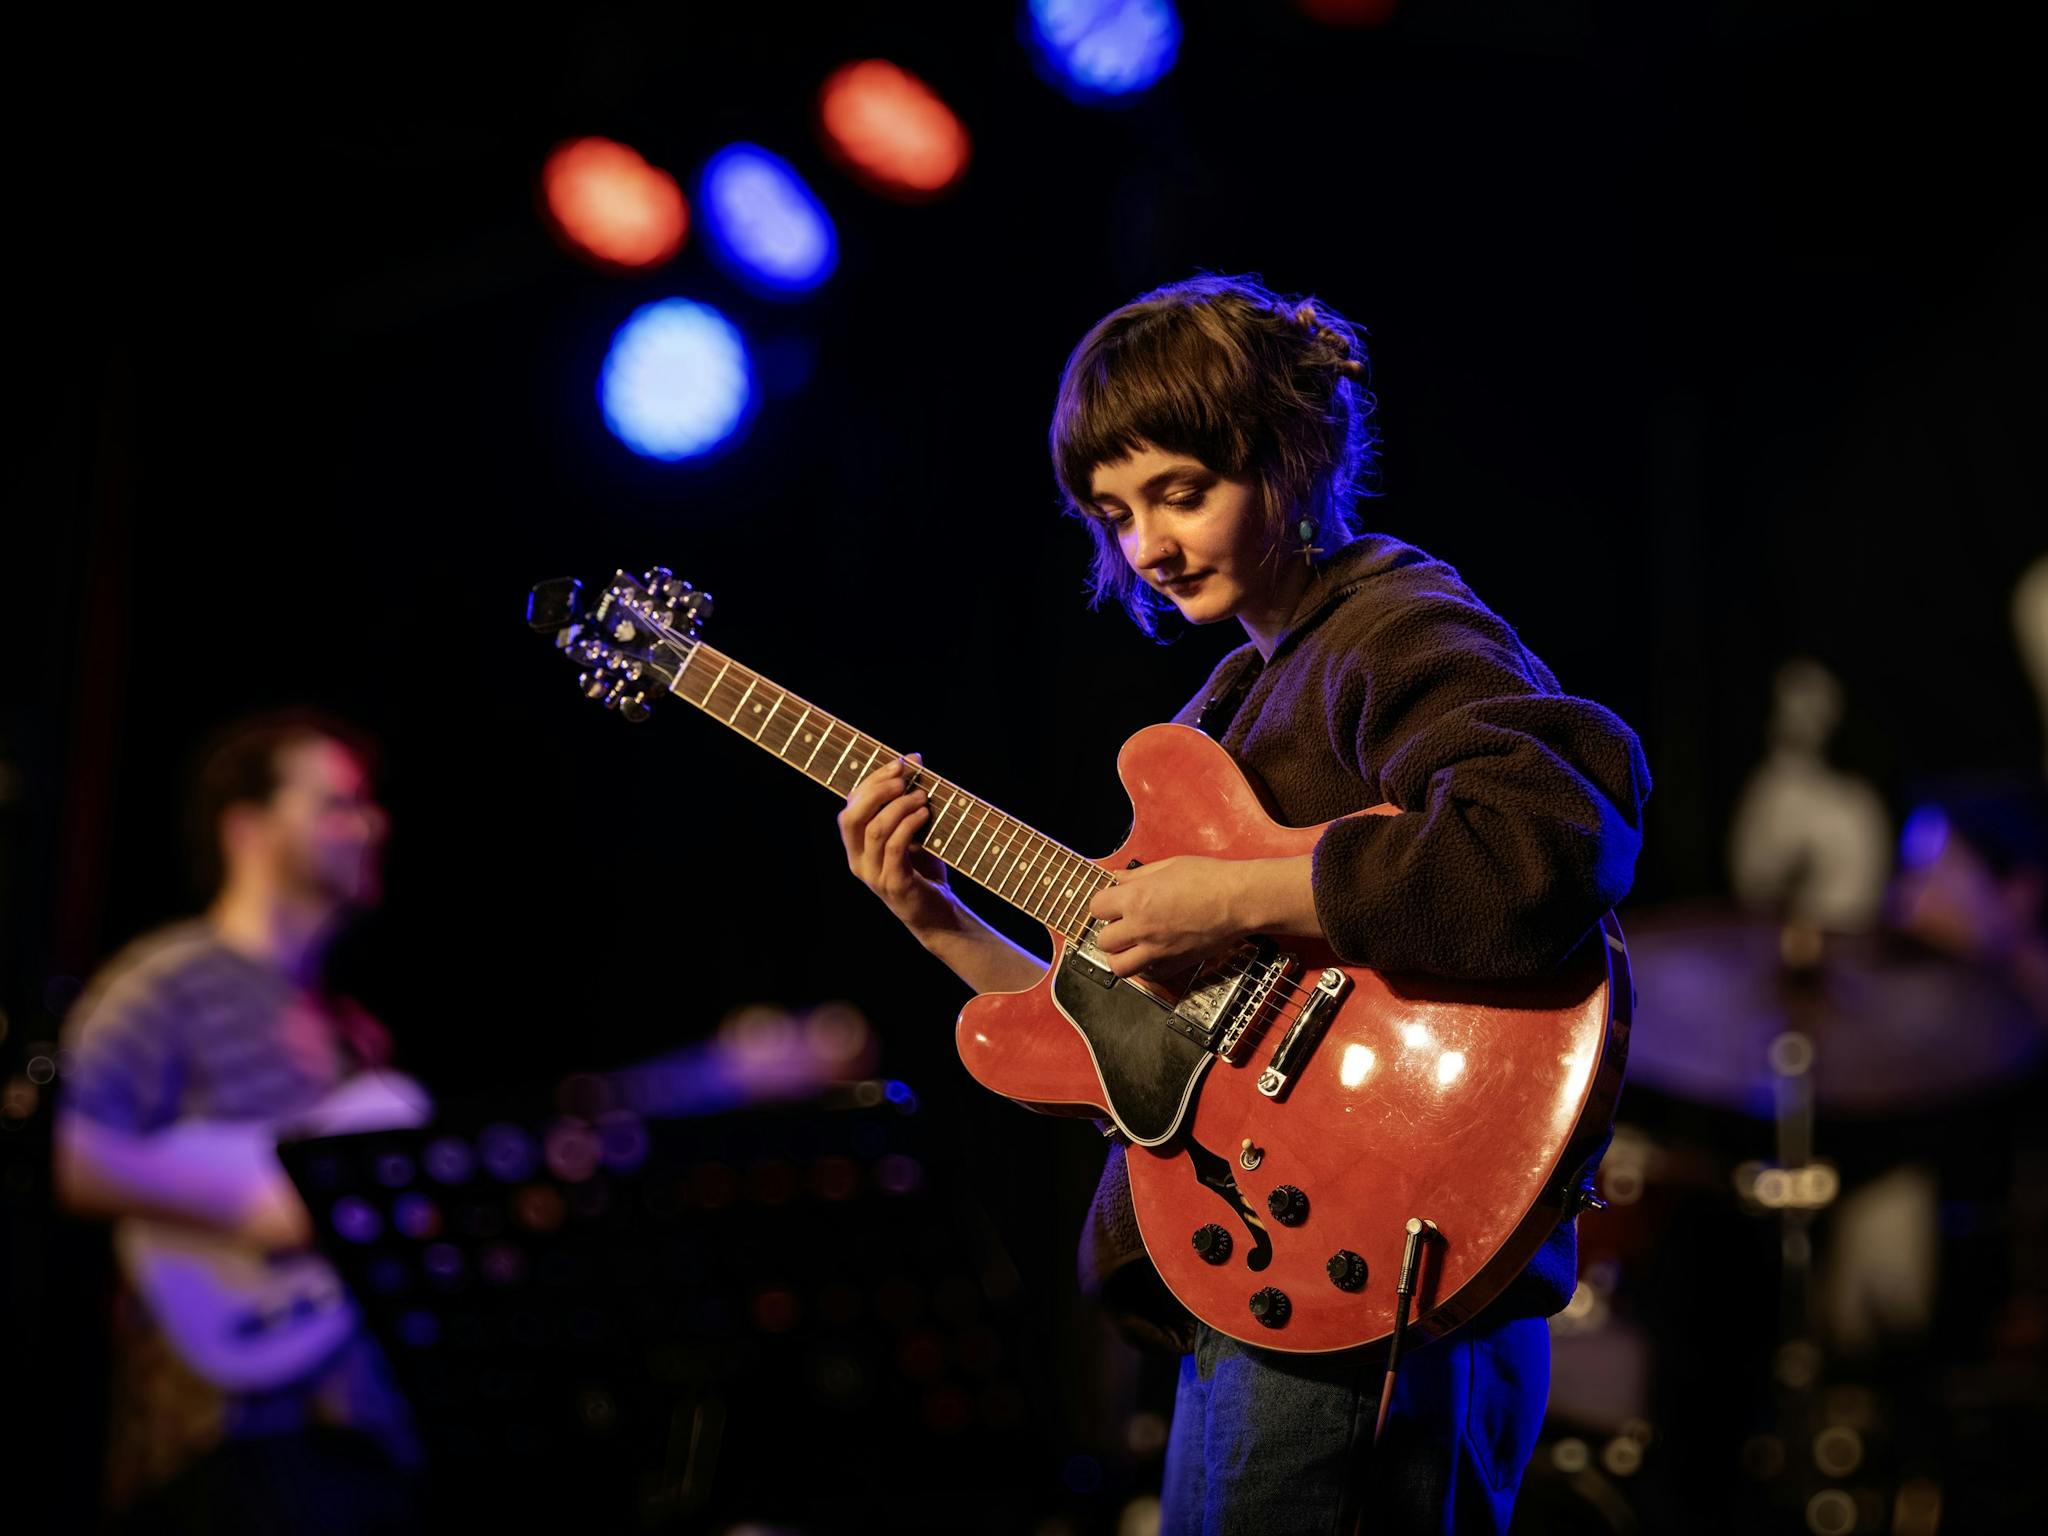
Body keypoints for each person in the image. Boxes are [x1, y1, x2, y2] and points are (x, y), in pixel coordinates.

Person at [837, 274, 1650, 1533]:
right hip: (1267, 1269)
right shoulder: (1213, 715)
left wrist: (1234, 894)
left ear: (1294, 453)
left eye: (1178, 493)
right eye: (1111, 514)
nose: (1144, 548)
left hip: (1382, 1264)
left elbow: (1548, 836)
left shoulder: (1391, 624)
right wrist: (935, 916)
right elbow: (1124, 1044)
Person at [54, 711, 424, 1533]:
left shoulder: (352, 1034)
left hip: (353, 1443)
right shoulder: (168, 980)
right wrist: (257, 1206)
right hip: (218, 1447)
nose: (371, 824)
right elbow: (64, 1147)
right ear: (248, 829)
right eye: (338, 804)